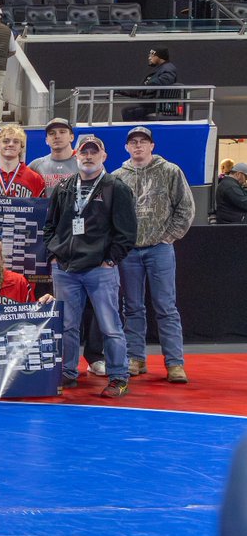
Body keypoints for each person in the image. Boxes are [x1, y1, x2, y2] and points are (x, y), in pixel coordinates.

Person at [44, 134, 137, 398]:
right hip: (66, 269)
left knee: (110, 326)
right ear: (76, 156)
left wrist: (110, 260)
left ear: (103, 156)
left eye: (94, 152)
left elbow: (127, 233)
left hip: (99, 269)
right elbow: (50, 225)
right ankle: (68, 372)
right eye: (84, 152)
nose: (88, 156)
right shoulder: (64, 187)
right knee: (67, 326)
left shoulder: (115, 187)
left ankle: (118, 376)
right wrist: (54, 254)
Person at [113, 126, 195, 383]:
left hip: (160, 249)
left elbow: (185, 207)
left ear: (152, 146)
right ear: (126, 147)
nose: (138, 145)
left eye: (143, 141)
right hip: (129, 252)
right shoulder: (117, 177)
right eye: (133, 142)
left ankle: (175, 363)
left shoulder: (170, 171)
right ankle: (135, 358)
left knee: (166, 306)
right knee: (132, 307)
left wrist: (169, 237)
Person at [122, 46, 180, 121]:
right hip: (152, 102)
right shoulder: (160, 68)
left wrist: (147, 87)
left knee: (128, 110)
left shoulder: (168, 68)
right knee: (129, 109)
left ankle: (139, 128)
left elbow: (163, 82)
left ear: (159, 57)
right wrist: (122, 92)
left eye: (152, 56)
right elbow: (144, 88)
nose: (149, 58)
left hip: (158, 105)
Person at [27, 118, 79, 195]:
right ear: (46, 140)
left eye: (62, 132)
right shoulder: (36, 166)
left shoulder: (84, 163)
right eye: (51, 133)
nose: (57, 136)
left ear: (71, 137)